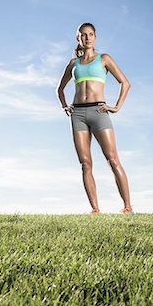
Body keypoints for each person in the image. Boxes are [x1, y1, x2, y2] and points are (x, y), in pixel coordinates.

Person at [56, 22, 134, 215]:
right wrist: (65, 106)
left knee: (113, 159)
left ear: (95, 38)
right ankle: (95, 209)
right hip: (78, 115)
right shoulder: (73, 64)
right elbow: (60, 89)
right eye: (83, 35)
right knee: (85, 163)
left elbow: (125, 83)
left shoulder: (104, 59)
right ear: (78, 38)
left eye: (91, 34)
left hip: (99, 113)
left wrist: (116, 106)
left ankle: (128, 207)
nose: (87, 38)